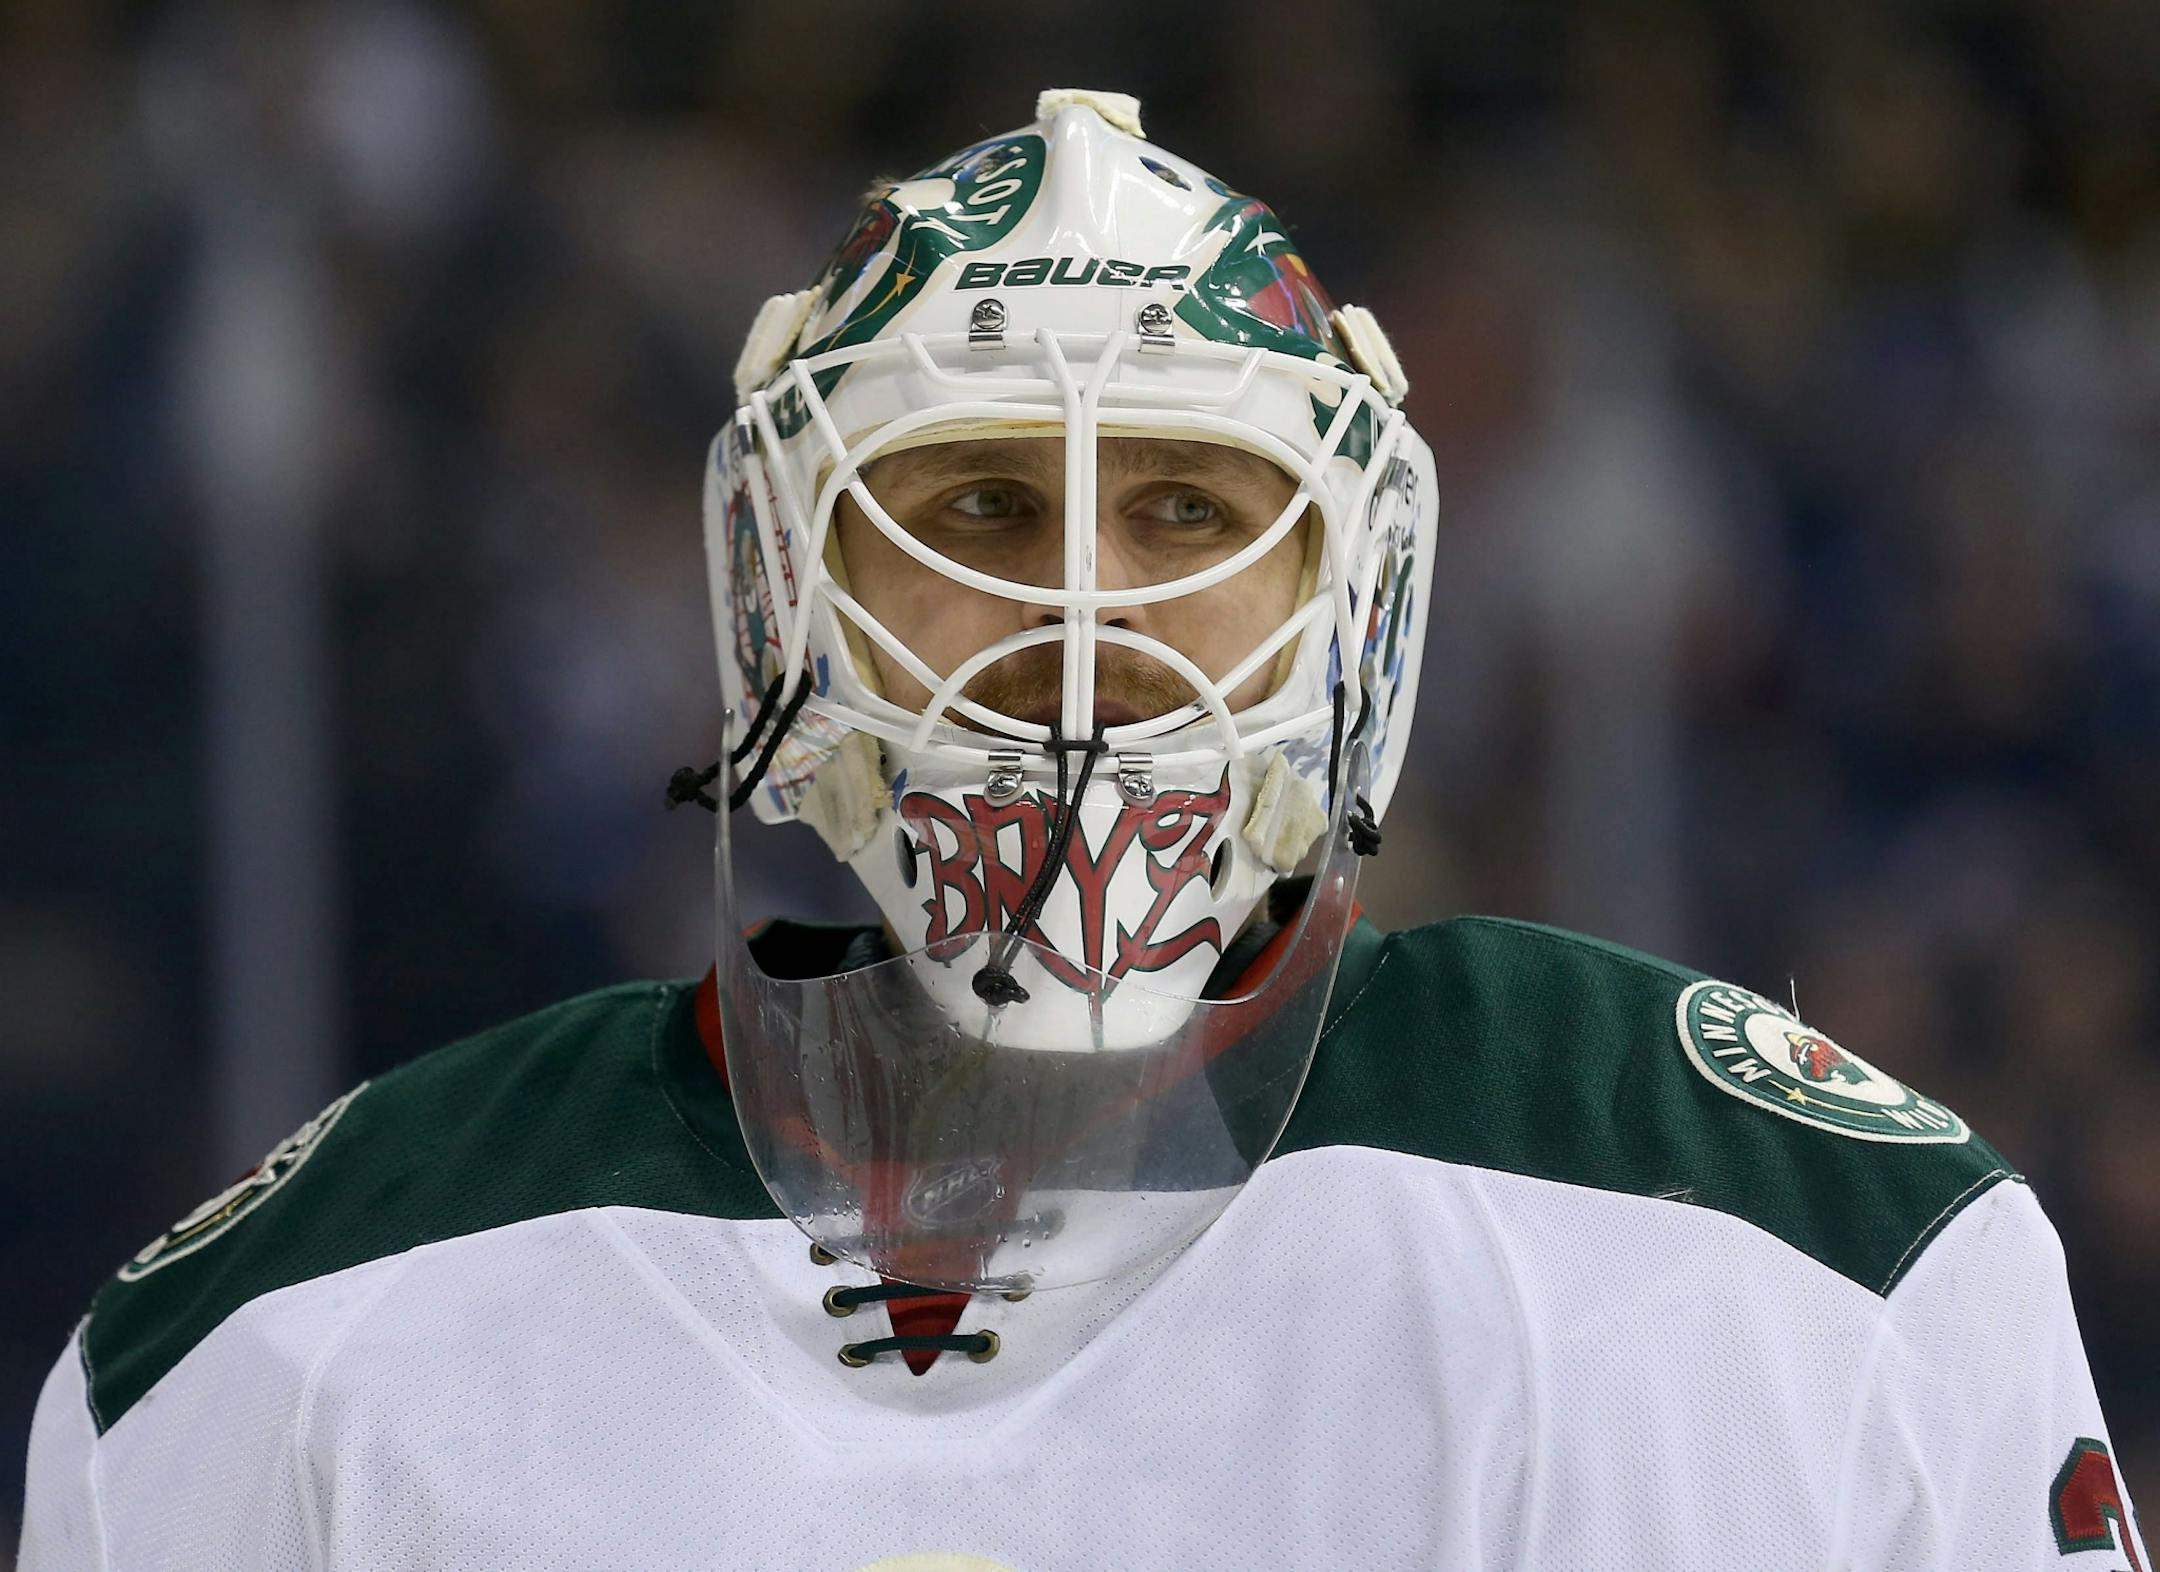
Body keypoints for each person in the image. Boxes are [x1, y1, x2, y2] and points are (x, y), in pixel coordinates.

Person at [19, 89, 2145, 1572]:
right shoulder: (287, 1340)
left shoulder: (1814, 1263)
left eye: (1189, 514)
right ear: (784, 592)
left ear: (1363, 598)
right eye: (972, 509)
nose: (1080, 627)